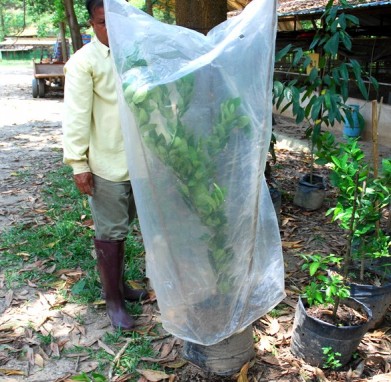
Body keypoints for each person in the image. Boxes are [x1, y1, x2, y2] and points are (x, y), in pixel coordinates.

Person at [62, 0, 147, 331]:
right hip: (107, 163)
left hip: (140, 162)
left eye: (114, 21)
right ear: (91, 23)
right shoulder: (84, 63)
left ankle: (121, 286)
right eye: (101, 22)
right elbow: (76, 116)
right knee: (110, 234)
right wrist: (78, 163)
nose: (109, 29)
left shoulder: (135, 56)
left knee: (127, 229)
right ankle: (113, 301)